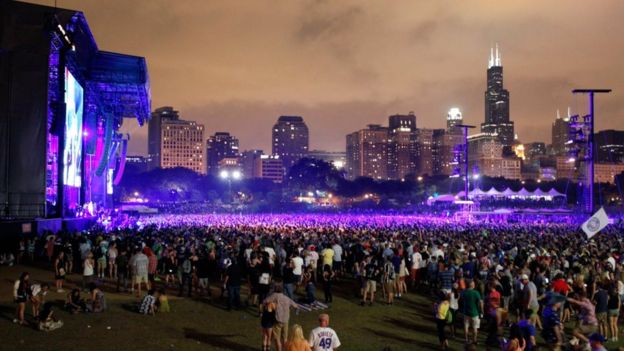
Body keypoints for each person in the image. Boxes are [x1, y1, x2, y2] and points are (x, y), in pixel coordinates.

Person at [263, 284, 300, 351]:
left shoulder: (275, 295)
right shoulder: (286, 298)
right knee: (285, 339)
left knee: (277, 339)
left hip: (278, 320)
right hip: (286, 320)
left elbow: (265, 301)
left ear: (275, 290)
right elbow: (296, 306)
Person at [461, 279, 483, 345]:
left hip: (466, 312)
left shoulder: (464, 292)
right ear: (472, 285)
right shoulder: (476, 293)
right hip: (475, 312)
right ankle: (474, 340)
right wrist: (482, 311)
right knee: (475, 327)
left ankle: (466, 340)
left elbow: (461, 300)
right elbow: (481, 302)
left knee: (466, 326)